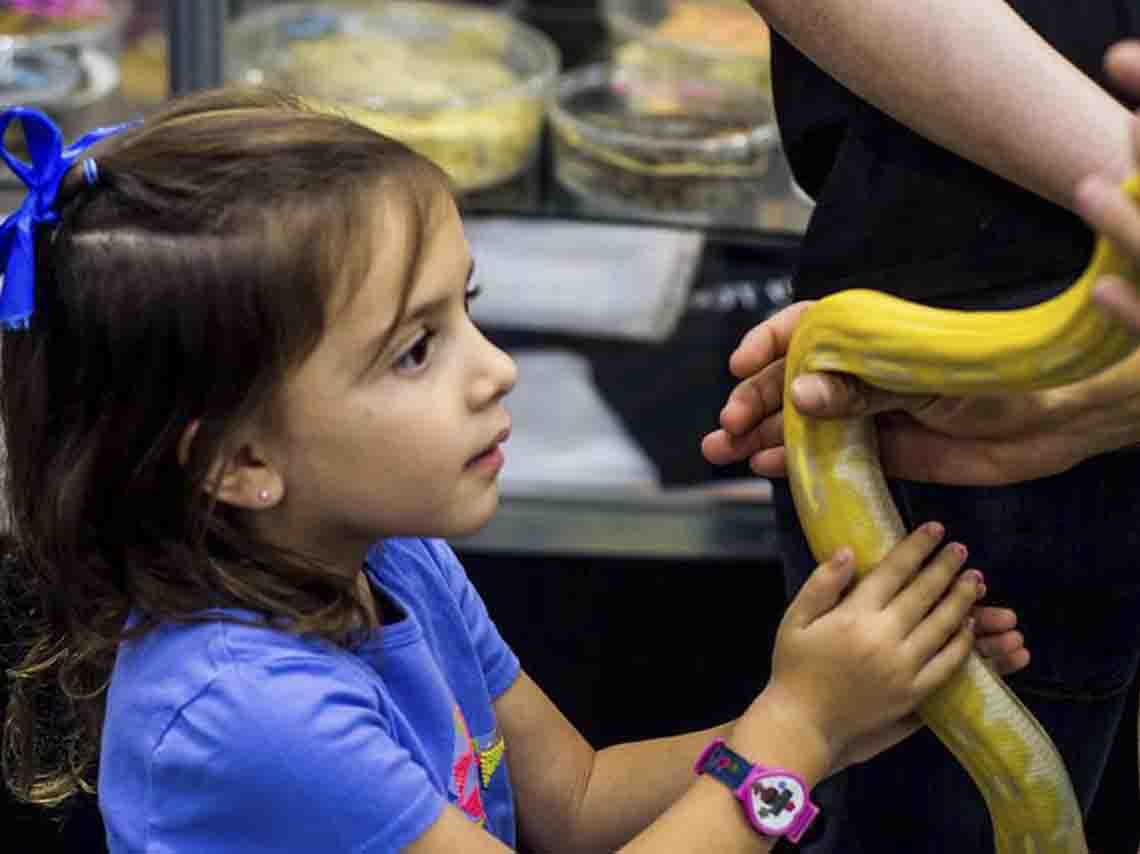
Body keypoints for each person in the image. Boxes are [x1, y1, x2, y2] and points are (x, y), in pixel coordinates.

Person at [0, 90, 1028, 853]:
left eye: (466, 308)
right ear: (242, 461)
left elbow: (573, 798)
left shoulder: (392, 557)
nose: (496, 368)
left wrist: (846, 712)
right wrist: (793, 727)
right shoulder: (246, 714)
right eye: (416, 347)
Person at [706, 5, 1140, 850]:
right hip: (962, 352)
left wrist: (798, 730)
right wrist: (801, 734)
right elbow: (573, 796)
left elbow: (580, 799)